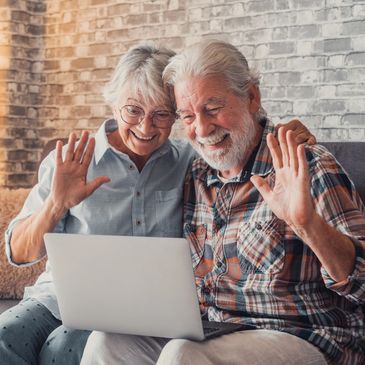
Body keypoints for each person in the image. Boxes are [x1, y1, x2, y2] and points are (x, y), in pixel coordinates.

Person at [0, 44, 312, 365]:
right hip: (58, 299)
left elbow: (237, 141)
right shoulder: (70, 162)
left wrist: (286, 133)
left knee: (61, 348)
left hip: (143, 309)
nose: (146, 127)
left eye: (161, 114)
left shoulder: (192, 161)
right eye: (133, 110)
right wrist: (56, 203)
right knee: (4, 336)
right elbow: (20, 254)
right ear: (112, 103)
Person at [81, 41, 365, 365]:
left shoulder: (306, 165)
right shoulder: (196, 172)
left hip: (305, 335)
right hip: (215, 330)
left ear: (252, 97)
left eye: (213, 109)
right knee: (107, 341)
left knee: (181, 354)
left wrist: (308, 225)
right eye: (187, 116)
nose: (202, 129)